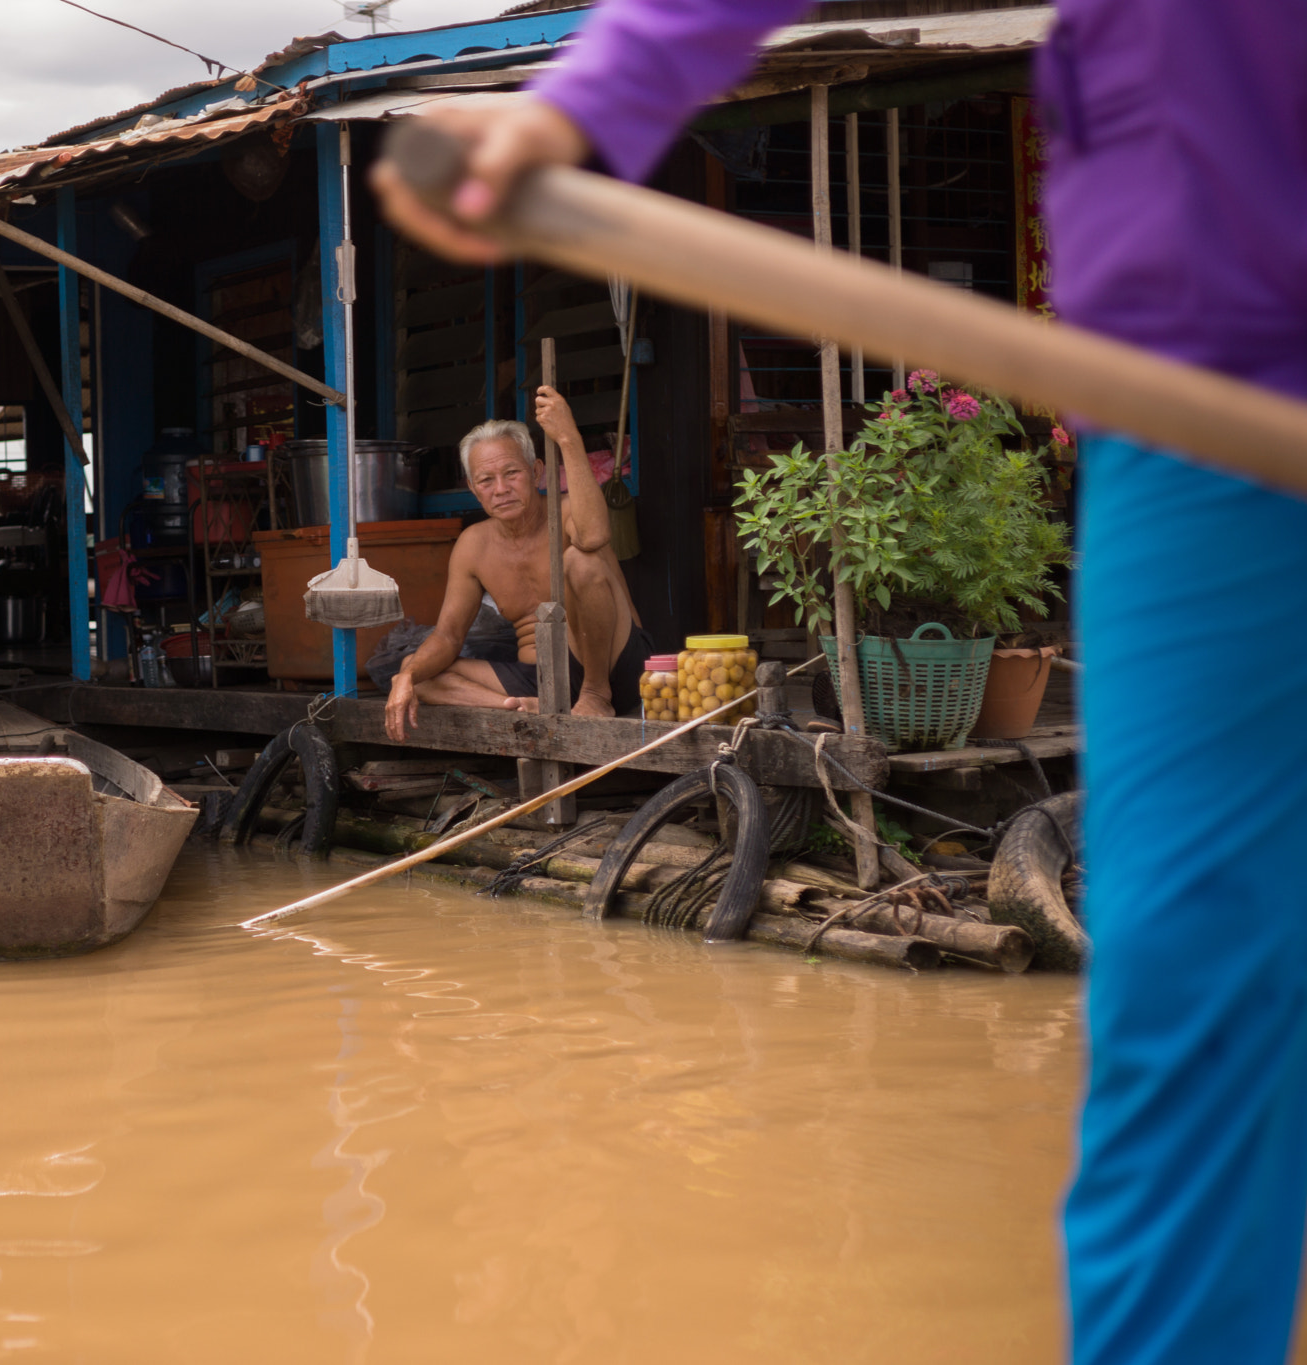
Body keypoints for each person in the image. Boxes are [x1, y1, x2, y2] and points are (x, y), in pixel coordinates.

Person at [373, 3, 1307, 1362]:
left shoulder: (558, 509)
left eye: (517, 466)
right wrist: (589, 100)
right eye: (496, 472)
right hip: (1200, 388)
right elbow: (447, 626)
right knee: (1191, 990)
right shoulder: (465, 543)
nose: (503, 486)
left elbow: (586, 545)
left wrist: (576, 438)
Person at [383, 386, 651, 742]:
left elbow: (593, 537)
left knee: (581, 560)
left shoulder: (569, 511)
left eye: (512, 473)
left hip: (616, 667)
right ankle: (519, 706)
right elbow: (448, 636)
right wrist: (407, 677)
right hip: (539, 677)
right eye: (486, 480)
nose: (501, 489)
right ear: (473, 489)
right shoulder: (473, 545)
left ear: (537, 472)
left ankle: (595, 695)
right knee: (415, 671)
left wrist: (568, 437)